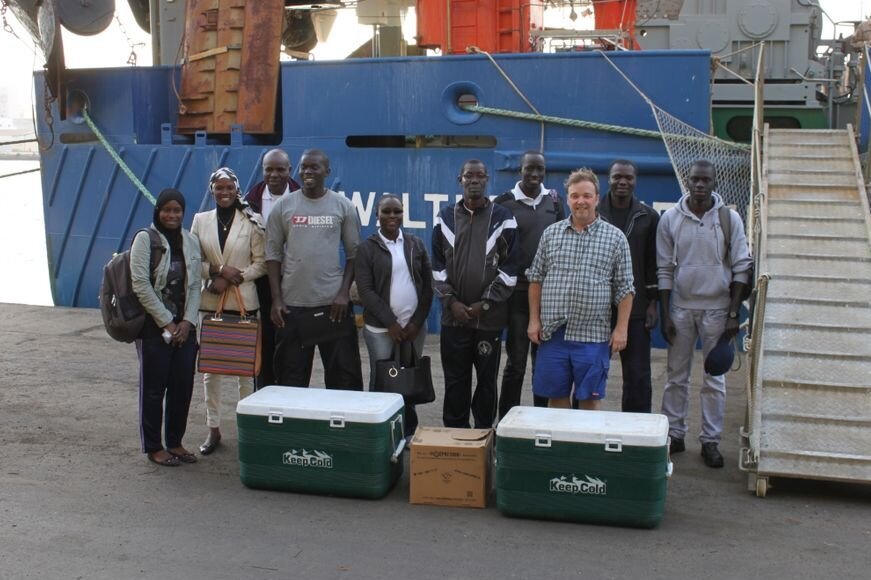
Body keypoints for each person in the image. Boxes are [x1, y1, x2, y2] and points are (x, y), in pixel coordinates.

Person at [656, 159, 751, 468]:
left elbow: (742, 266)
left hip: (718, 310)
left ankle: (710, 440)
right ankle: (675, 434)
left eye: (705, 180)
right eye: (695, 179)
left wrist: (734, 314)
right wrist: (666, 313)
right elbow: (664, 268)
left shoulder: (729, 219)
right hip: (682, 309)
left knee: (715, 379)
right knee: (676, 377)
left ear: (713, 183)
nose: (699, 185)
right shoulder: (670, 218)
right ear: (687, 181)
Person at [527, 168, 634, 411]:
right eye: (575, 196)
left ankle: (587, 439)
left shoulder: (615, 238)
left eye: (586, 195)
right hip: (554, 334)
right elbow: (536, 279)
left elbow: (625, 288)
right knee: (556, 398)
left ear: (597, 198)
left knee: (589, 399)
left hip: (593, 336)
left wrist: (621, 329)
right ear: (567, 199)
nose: (581, 201)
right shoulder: (551, 234)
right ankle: (560, 438)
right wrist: (534, 320)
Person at [265, 149, 363, 389]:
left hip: (334, 307)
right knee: (290, 381)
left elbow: (354, 255)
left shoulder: (343, 206)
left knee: (344, 382)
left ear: (327, 171)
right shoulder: (283, 207)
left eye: (314, 167)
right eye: (304, 167)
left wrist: (344, 294)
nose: (308, 171)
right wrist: (277, 299)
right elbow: (272, 256)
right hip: (292, 307)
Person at [432, 159, 519, 429]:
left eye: (480, 175)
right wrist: (451, 302)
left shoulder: (503, 218)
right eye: (469, 175)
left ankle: (483, 434)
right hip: (454, 319)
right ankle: (455, 433)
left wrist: (486, 303)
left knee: (486, 382)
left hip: (488, 320)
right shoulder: (445, 217)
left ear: (487, 179)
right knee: (455, 380)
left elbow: (510, 269)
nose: (474, 180)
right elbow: (436, 267)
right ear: (460, 179)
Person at [191, 167, 266, 456]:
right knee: (212, 371)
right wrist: (218, 271)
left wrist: (236, 277)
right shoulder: (200, 221)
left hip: (244, 305)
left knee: (245, 372)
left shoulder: (251, 221)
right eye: (219, 188)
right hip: (211, 305)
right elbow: (193, 261)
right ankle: (213, 428)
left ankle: (247, 427)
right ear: (212, 190)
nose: (224, 193)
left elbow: (261, 263)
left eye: (229, 188)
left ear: (237, 190)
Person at [130, 188, 202, 467]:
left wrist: (187, 322)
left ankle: (175, 442)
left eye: (177, 210)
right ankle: (154, 447)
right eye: (167, 210)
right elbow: (140, 284)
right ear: (158, 211)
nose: (172, 215)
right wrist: (167, 322)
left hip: (185, 328)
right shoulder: (145, 239)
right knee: (153, 389)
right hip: (153, 328)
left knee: (182, 388)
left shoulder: (190, 240)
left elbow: (194, 285)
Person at [355, 194, 433, 441]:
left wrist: (416, 323)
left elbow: (428, 287)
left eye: (397, 211)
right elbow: (366, 291)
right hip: (381, 330)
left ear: (403, 214)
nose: (392, 216)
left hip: (413, 329)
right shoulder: (366, 248)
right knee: (382, 380)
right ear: (377, 215)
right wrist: (391, 323)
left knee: (408, 378)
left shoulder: (415, 244)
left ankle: (408, 431)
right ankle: (378, 433)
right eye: (386, 211)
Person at [493, 151, 564, 415]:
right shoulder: (504, 203)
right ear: (520, 170)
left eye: (539, 169)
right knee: (517, 363)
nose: (534, 174)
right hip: (517, 296)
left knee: (543, 365)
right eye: (529, 168)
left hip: (549, 296)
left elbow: (563, 242)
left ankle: (539, 421)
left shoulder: (554, 202)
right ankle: (506, 421)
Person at [598, 159, 660, 413]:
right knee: (589, 373)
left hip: (635, 308)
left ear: (635, 181)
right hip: (597, 307)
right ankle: (584, 427)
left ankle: (637, 429)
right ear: (609, 179)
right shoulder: (593, 212)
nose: (622, 182)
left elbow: (652, 262)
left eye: (628, 177)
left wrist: (653, 303)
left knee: (638, 377)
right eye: (617, 177)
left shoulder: (648, 216)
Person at [244, 149, 300, 388]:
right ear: (262, 170)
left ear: (290, 170)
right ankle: (264, 388)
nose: (274, 174)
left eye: (280, 169)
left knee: (291, 340)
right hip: (262, 280)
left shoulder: (302, 197)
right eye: (269, 169)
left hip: (294, 279)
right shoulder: (250, 202)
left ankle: (289, 391)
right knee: (264, 338)